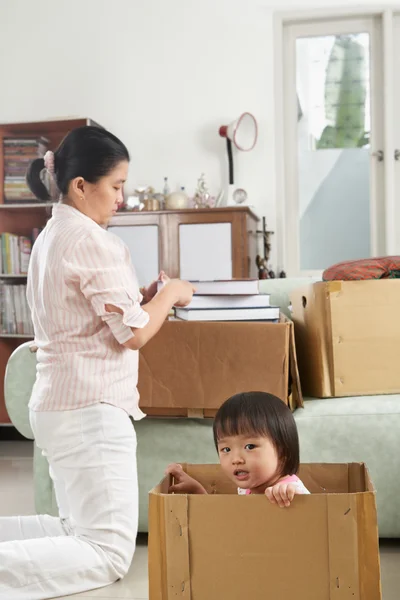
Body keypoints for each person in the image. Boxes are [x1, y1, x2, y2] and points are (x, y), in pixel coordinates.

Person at [0, 126, 195, 600]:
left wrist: (142, 298)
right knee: (106, 553)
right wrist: (170, 295)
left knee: (73, 529)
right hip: (90, 408)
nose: (122, 199)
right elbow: (134, 334)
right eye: (116, 186)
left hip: (58, 403)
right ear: (81, 185)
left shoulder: (51, 235)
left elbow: (102, 314)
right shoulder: (93, 241)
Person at [166, 391, 309, 506]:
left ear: (282, 451)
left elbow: (315, 524)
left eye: (250, 446)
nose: (236, 459)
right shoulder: (248, 489)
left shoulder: (289, 491)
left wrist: (292, 498)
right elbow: (229, 524)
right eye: (226, 449)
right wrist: (196, 490)